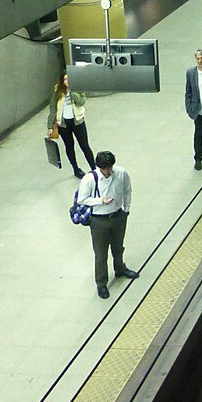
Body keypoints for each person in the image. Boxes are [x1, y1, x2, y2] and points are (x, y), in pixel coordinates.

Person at [76, 150, 139, 299]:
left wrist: (126, 210)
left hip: (118, 216)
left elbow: (127, 190)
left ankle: (120, 268)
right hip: (99, 221)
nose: (109, 171)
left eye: (110, 168)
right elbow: (82, 199)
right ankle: (101, 283)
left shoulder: (121, 173)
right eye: (106, 169)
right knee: (101, 253)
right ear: (99, 167)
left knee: (118, 246)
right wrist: (100, 200)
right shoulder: (89, 179)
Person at [47, 72, 96, 178]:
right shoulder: (58, 92)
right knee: (69, 146)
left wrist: (72, 92)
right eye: (65, 79)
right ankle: (75, 169)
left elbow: (81, 102)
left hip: (78, 121)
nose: (67, 81)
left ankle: (94, 169)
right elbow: (52, 109)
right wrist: (50, 127)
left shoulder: (78, 89)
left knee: (85, 146)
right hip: (63, 124)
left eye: (69, 79)